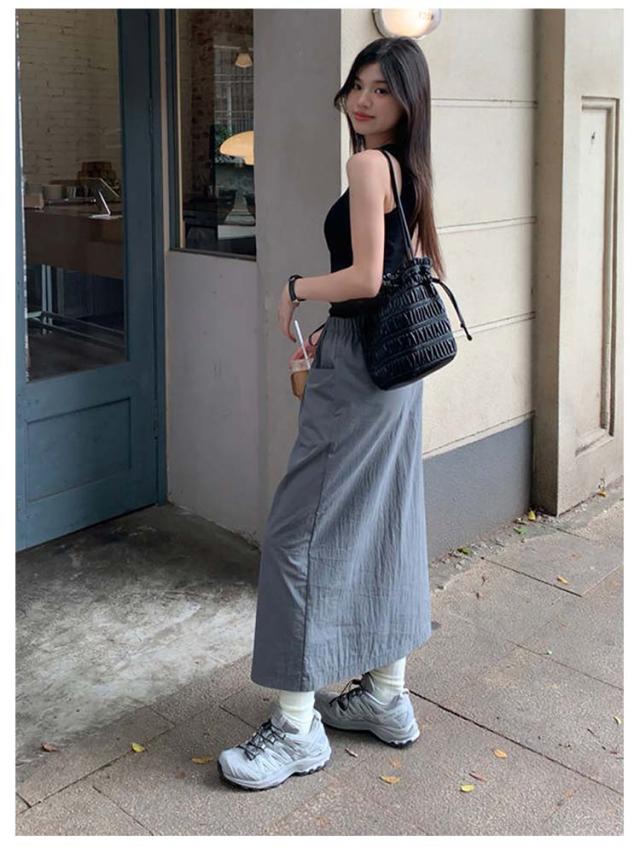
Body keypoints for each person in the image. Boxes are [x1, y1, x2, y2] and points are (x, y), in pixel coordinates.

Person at [218, 35, 447, 792]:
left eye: (383, 89)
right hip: (395, 370)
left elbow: (367, 276)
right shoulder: (410, 170)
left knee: (296, 536)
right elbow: (408, 275)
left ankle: (295, 728)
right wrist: (335, 327)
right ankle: (386, 695)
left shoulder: (367, 165)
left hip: (360, 372)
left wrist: (295, 289)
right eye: (359, 85)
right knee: (387, 518)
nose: (364, 100)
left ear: (407, 102)